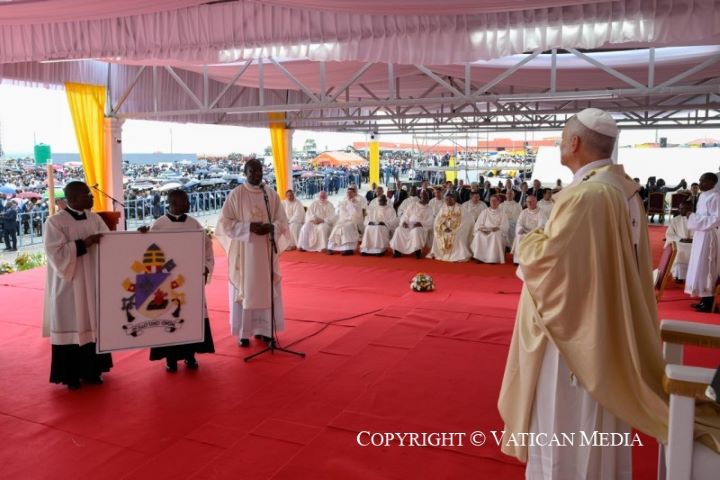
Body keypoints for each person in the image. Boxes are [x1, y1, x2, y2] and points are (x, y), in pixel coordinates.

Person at [498, 108, 670, 478]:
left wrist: (528, 242)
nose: (561, 144)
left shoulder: (588, 195)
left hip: (573, 335)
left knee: (566, 421)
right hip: (606, 323)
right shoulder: (623, 189)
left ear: (574, 143)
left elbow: (549, 264)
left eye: (562, 138)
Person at [43, 181, 112, 389]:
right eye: (87, 195)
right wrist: (84, 243)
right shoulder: (55, 221)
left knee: (93, 323)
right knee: (71, 323)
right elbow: (55, 252)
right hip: (69, 283)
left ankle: (93, 371)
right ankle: (70, 375)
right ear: (72, 198)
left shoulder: (95, 218)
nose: (92, 197)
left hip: (92, 279)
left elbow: (111, 242)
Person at [216, 159, 290, 348]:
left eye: (259, 171)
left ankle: (265, 331)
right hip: (244, 253)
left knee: (265, 289)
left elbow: (282, 220)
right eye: (252, 171)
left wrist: (272, 227)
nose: (257, 174)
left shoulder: (270, 194)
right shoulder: (236, 194)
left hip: (265, 251)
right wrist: (248, 227)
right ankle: (244, 332)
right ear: (245, 173)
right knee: (246, 289)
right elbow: (224, 223)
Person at [145, 190, 215, 372]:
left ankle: (190, 355)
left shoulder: (194, 224)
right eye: (185, 201)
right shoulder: (159, 225)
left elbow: (207, 248)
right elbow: (149, 251)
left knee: (190, 317)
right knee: (169, 317)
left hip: (190, 281)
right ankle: (171, 358)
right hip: (167, 282)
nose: (189, 204)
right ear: (173, 203)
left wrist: (206, 267)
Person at [684, 172, 720, 312]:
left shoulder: (715, 197)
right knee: (699, 265)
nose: (700, 184)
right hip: (700, 234)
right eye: (699, 181)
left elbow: (716, 219)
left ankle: (709, 301)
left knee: (707, 267)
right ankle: (702, 298)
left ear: (712, 182)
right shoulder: (703, 195)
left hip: (709, 236)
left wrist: (693, 217)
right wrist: (694, 217)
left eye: (703, 181)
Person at [427, 191, 472, 262]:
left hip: (457, 229)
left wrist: (455, 229)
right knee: (438, 233)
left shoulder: (461, 208)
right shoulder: (443, 208)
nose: (448, 201)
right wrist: (444, 228)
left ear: (455, 199)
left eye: (450, 199)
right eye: (447, 199)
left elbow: (467, 221)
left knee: (456, 236)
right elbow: (437, 221)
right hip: (444, 229)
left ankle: (457, 254)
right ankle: (440, 253)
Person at [390, 189, 434, 259]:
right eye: (424, 197)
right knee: (399, 230)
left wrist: (421, 223)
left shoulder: (429, 209)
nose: (426, 199)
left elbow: (430, 221)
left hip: (420, 227)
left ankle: (417, 252)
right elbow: (405, 215)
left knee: (416, 231)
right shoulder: (412, 205)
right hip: (409, 225)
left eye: (427, 198)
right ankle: (397, 251)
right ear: (420, 197)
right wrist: (404, 222)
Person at [470, 194, 510, 264]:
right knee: (479, 234)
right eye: (492, 201)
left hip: (496, 231)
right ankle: (480, 257)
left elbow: (505, 226)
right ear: (490, 201)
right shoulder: (485, 211)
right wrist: (481, 228)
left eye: (495, 201)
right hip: (485, 230)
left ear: (498, 202)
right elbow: (478, 223)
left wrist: (497, 228)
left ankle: (492, 258)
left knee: (494, 235)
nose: (493, 202)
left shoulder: (502, 213)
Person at [327, 185, 363, 255]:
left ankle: (347, 249)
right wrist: (343, 217)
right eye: (348, 193)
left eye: (351, 193)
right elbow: (340, 212)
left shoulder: (357, 202)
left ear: (354, 194)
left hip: (353, 220)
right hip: (343, 219)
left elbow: (358, 214)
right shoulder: (344, 201)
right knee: (337, 227)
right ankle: (331, 247)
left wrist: (352, 205)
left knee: (346, 227)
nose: (349, 194)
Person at [511, 195, 547, 264]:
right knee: (519, 236)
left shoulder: (541, 212)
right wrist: (520, 229)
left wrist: (533, 232)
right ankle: (518, 260)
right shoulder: (524, 212)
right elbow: (519, 223)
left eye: (531, 201)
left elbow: (542, 224)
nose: (529, 203)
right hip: (524, 232)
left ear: (536, 202)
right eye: (528, 202)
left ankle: (531, 260)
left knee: (534, 237)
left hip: (535, 232)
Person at [664, 200, 694, 282]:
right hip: (680, 243)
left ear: (691, 209)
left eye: (684, 209)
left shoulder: (697, 219)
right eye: (680, 208)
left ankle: (693, 275)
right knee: (679, 251)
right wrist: (680, 239)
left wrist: (693, 240)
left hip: (694, 243)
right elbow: (669, 234)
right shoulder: (675, 220)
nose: (681, 210)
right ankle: (678, 275)